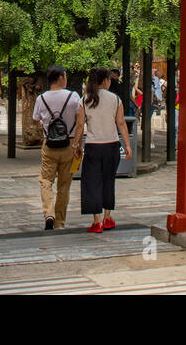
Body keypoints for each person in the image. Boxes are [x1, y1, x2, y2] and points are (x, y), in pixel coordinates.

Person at [79, 65, 131, 233]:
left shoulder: (85, 99)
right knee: (109, 180)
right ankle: (108, 217)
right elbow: (121, 123)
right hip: (112, 145)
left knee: (92, 182)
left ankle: (96, 221)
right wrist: (128, 145)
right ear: (106, 81)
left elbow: (80, 125)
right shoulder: (115, 99)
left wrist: (76, 145)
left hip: (93, 146)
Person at [33, 65, 84, 231]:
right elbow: (80, 122)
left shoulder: (42, 98)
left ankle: (49, 212)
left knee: (46, 180)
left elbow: (35, 119)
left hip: (49, 144)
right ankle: (60, 221)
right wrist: (77, 144)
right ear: (61, 78)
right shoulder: (73, 97)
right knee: (64, 185)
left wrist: (46, 123)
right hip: (69, 144)